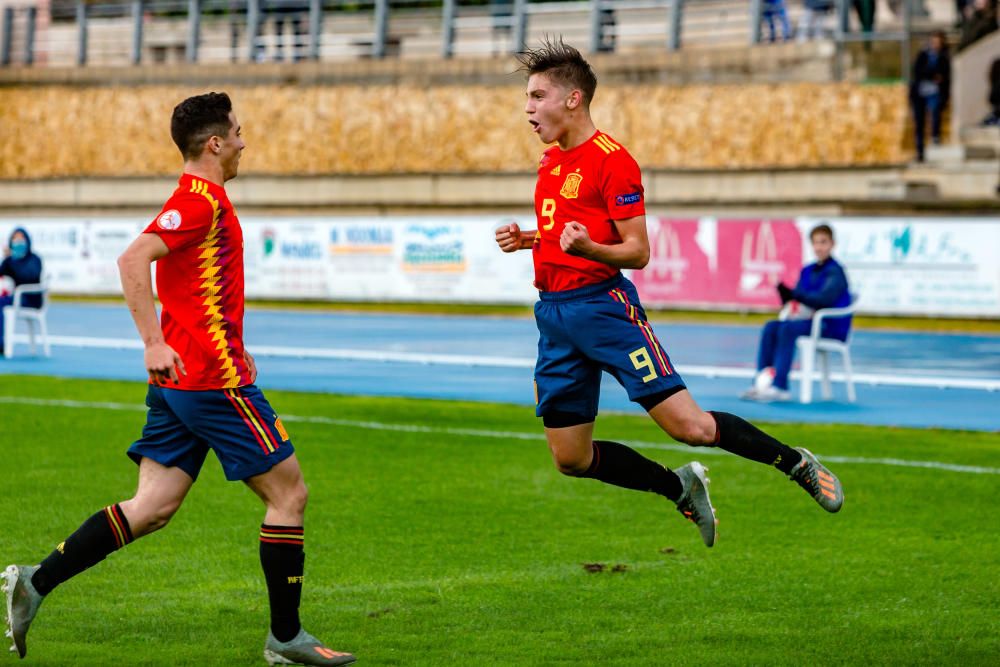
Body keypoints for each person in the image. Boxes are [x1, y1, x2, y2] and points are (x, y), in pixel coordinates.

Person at [2, 93, 355, 666]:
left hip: (185, 382)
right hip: (211, 383)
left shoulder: (199, 202)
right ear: (215, 143)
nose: (244, 142)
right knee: (289, 494)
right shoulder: (200, 202)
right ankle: (286, 639)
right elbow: (131, 259)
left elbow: (198, 289)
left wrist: (220, 346)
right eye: (237, 133)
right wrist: (153, 342)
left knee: (152, 507)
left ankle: (36, 582)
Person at [494, 39, 844, 552]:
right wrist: (529, 239)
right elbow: (562, 231)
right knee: (571, 458)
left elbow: (637, 252)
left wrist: (589, 246)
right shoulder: (550, 164)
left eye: (537, 96)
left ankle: (796, 463)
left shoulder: (614, 162)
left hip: (605, 310)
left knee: (693, 428)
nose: (527, 109)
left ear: (573, 99)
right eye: (527, 97)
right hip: (554, 316)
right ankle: (678, 486)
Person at [741, 224, 852, 403]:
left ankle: (780, 387)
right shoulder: (807, 270)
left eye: (823, 242)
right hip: (807, 321)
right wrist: (787, 296)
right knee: (771, 327)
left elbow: (823, 300)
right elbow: (799, 299)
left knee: (787, 329)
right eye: (816, 242)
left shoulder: (836, 272)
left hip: (830, 326)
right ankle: (761, 383)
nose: (819, 247)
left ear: (832, 244)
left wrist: (794, 294)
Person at [0, 227, 43, 356]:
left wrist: (14, 262)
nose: (18, 242)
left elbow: (29, 276)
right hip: (17, 297)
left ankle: (1, 343)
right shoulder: (10, 260)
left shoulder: (34, 259)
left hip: (31, 298)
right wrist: (7, 258)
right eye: (15, 239)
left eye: (21, 238)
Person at [909, 30, 951, 162]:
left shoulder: (945, 58)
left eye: (938, 42)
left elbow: (944, 76)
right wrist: (933, 75)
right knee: (919, 124)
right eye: (934, 42)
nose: (936, 45)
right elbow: (918, 72)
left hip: (935, 93)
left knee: (935, 117)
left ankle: (934, 143)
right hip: (920, 94)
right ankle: (920, 152)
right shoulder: (923, 55)